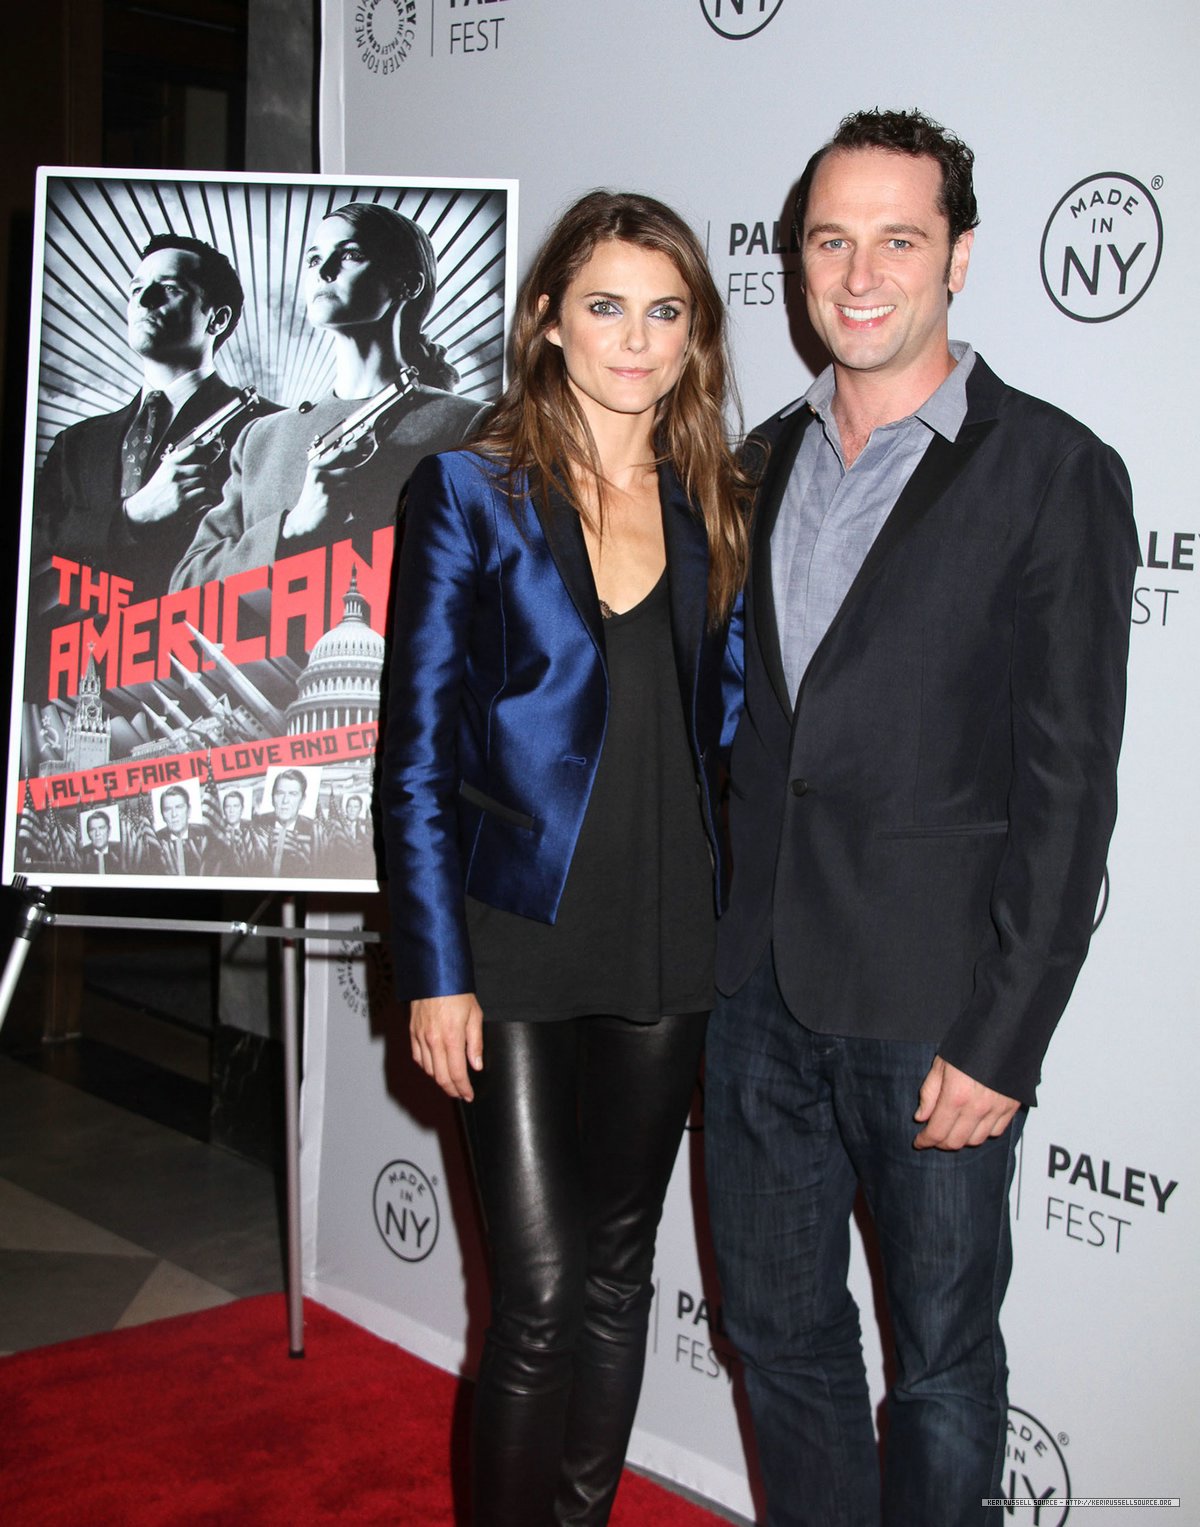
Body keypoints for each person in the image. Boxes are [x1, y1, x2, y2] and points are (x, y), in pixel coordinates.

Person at [703, 110, 1137, 1527]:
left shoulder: (1053, 469)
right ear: (799, 262)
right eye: (833, 239)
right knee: (775, 1331)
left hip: (934, 1006)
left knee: (943, 1362)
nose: (862, 269)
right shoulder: (754, 464)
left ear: (959, 255)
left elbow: (1068, 786)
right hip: (752, 986)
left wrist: (1004, 1034)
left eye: (899, 236)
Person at [381, 190, 749, 1526]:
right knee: (534, 1294)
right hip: (513, 938)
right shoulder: (472, 492)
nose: (636, 339)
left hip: (668, 939)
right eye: (607, 305)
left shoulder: (718, 498)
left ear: (694, 335)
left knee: (618, 1270)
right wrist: (434, 968)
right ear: (547, 319)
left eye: (666, 312)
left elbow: (734, 725)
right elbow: (412, 751)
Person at [172, 202, 486, 590]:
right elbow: (186, 586)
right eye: (314, 258)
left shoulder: (473, 426)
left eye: (350, 255)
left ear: (408, 283)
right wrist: (293, 528)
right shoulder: (260, 440)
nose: (323, 271)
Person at [33, 233, 266, 595]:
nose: (144, 299)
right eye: (136, 288)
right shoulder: (75, 444)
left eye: (170, 288)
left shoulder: (267, 427)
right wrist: (130, 516)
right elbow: (32, 543)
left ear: (217, 320)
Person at [255, 769, 317, 876]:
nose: (285, 801)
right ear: (272, 798)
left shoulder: (314, 832)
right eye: (280, 793)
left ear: (302, 801)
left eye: (293, 794)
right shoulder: (256, 825)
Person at [154, 784, 210, 876]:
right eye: (168, 809)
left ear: (189, 811)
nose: (174, 814)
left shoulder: (205, 834)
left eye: (179, 807)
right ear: (162, 815)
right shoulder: (155, 841)